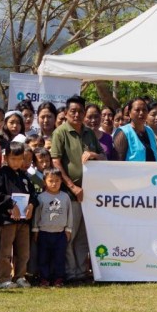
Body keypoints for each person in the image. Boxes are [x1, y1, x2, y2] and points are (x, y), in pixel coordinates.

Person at [50, 96, 105, 283]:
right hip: (70, 194)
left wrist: (94, 154)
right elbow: (56, 162)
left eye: (81, 111)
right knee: (69, 235)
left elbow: (104, 157)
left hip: (90, 194)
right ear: (66, 113)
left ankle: (81, 272)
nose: (77, 114)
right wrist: (72, 187)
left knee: (83, 236)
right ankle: (70, 272)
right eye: (73, 111)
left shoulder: (89, 133)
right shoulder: (60, 133)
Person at [0, 142, 39, 288]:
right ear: (6, 158)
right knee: (6, 250)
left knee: (23, 251)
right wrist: (11, 204)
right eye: (13, 159)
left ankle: (20, 276)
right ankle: (4, 279)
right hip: (8, 220)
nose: (16, 162)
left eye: (19, 159)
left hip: (24, 221)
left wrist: (31, 205)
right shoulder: (2, 174)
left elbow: (33, 195)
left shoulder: (24, 176)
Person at [32, 168, 72, 287]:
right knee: (43, 257)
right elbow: (37, 215)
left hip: (60, 234)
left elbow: (70, 214)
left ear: (61, 181)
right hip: (44, 233)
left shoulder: (65, 197)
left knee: (59, 257)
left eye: (57, 181)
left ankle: (58, 278)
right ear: (44, 181)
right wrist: (35, 230)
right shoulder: (41, 197)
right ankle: (44, 278)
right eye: (51, 181)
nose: (54, 184)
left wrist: (68, 229)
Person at [115, 98, 157, 162]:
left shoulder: (150, 131)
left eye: (144, 110)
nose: (141, 113)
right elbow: (118, 162)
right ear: (129, 113)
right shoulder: (123, 133)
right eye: (137, 110)